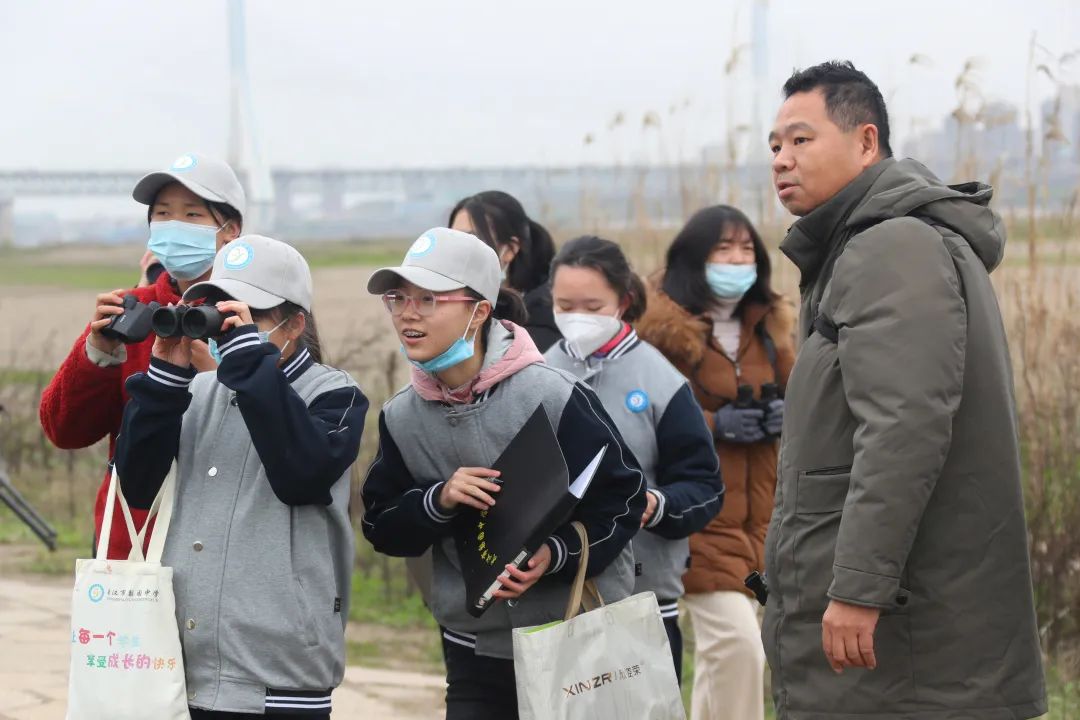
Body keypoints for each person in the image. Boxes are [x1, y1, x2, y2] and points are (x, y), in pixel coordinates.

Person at [762, 60, 1046, 718]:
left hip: (904, 638)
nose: (781, 159)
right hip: (901, 630)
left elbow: (903, 427)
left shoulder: (891, 247)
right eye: (774, 145)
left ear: (866, 141)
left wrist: (859, 588)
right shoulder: (862, 248)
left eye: (801, 139)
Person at [360, 228, 646, 719]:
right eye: (398, 298)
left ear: (479, 311)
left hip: (574, 638)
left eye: (428, 299)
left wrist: (554, 554)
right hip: (474, 650)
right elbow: (381, 526)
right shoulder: (401, 417)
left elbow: (624, 499)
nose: (407, 313)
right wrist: (438, 500)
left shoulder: (554, 395)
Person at [113, 234, 367, 718]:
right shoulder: (199, 392)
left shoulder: (334, 394)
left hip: (277, 676)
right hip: (180, 666)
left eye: (246, 315)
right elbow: (138, 487)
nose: (226, 327)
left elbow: (301, 476)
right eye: (216, 310)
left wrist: (251, 363)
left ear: (295, 324)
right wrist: (164, 383)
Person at [39, 152, 244, 560]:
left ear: (230, 231)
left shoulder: (258, 314)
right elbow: (65, 430)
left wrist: (218, 376)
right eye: (163, 214)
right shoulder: (133, 310)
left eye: (192, 215)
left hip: (228, 543)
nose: (175, 225)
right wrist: (97, 352)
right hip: (134, 545)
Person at [636, 204, 795, 720]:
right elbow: (640, 416)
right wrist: (713, 424)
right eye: (723, 249)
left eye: (746, 249)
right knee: (739, 646)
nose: (737, 260)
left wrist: (786, 412)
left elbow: (804, 395)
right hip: (699, 521)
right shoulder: (660, 336)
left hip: (763, 521)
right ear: (693, 258)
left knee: (725, 659)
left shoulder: (769, 328)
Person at [543, 235, 724, 684]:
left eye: (592, 306)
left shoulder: (661, 381)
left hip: (643, 600)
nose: (577, 318)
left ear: (624, 301)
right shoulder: (539, 373)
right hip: (555, 594)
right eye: (565, 306)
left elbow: (704, 486)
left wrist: (657, 504)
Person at [449, 191, 561, 351]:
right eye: (453, 239)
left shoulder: (543, 318)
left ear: (510, 249)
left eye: (472, 239)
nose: (459, 249)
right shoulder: (456, 300)